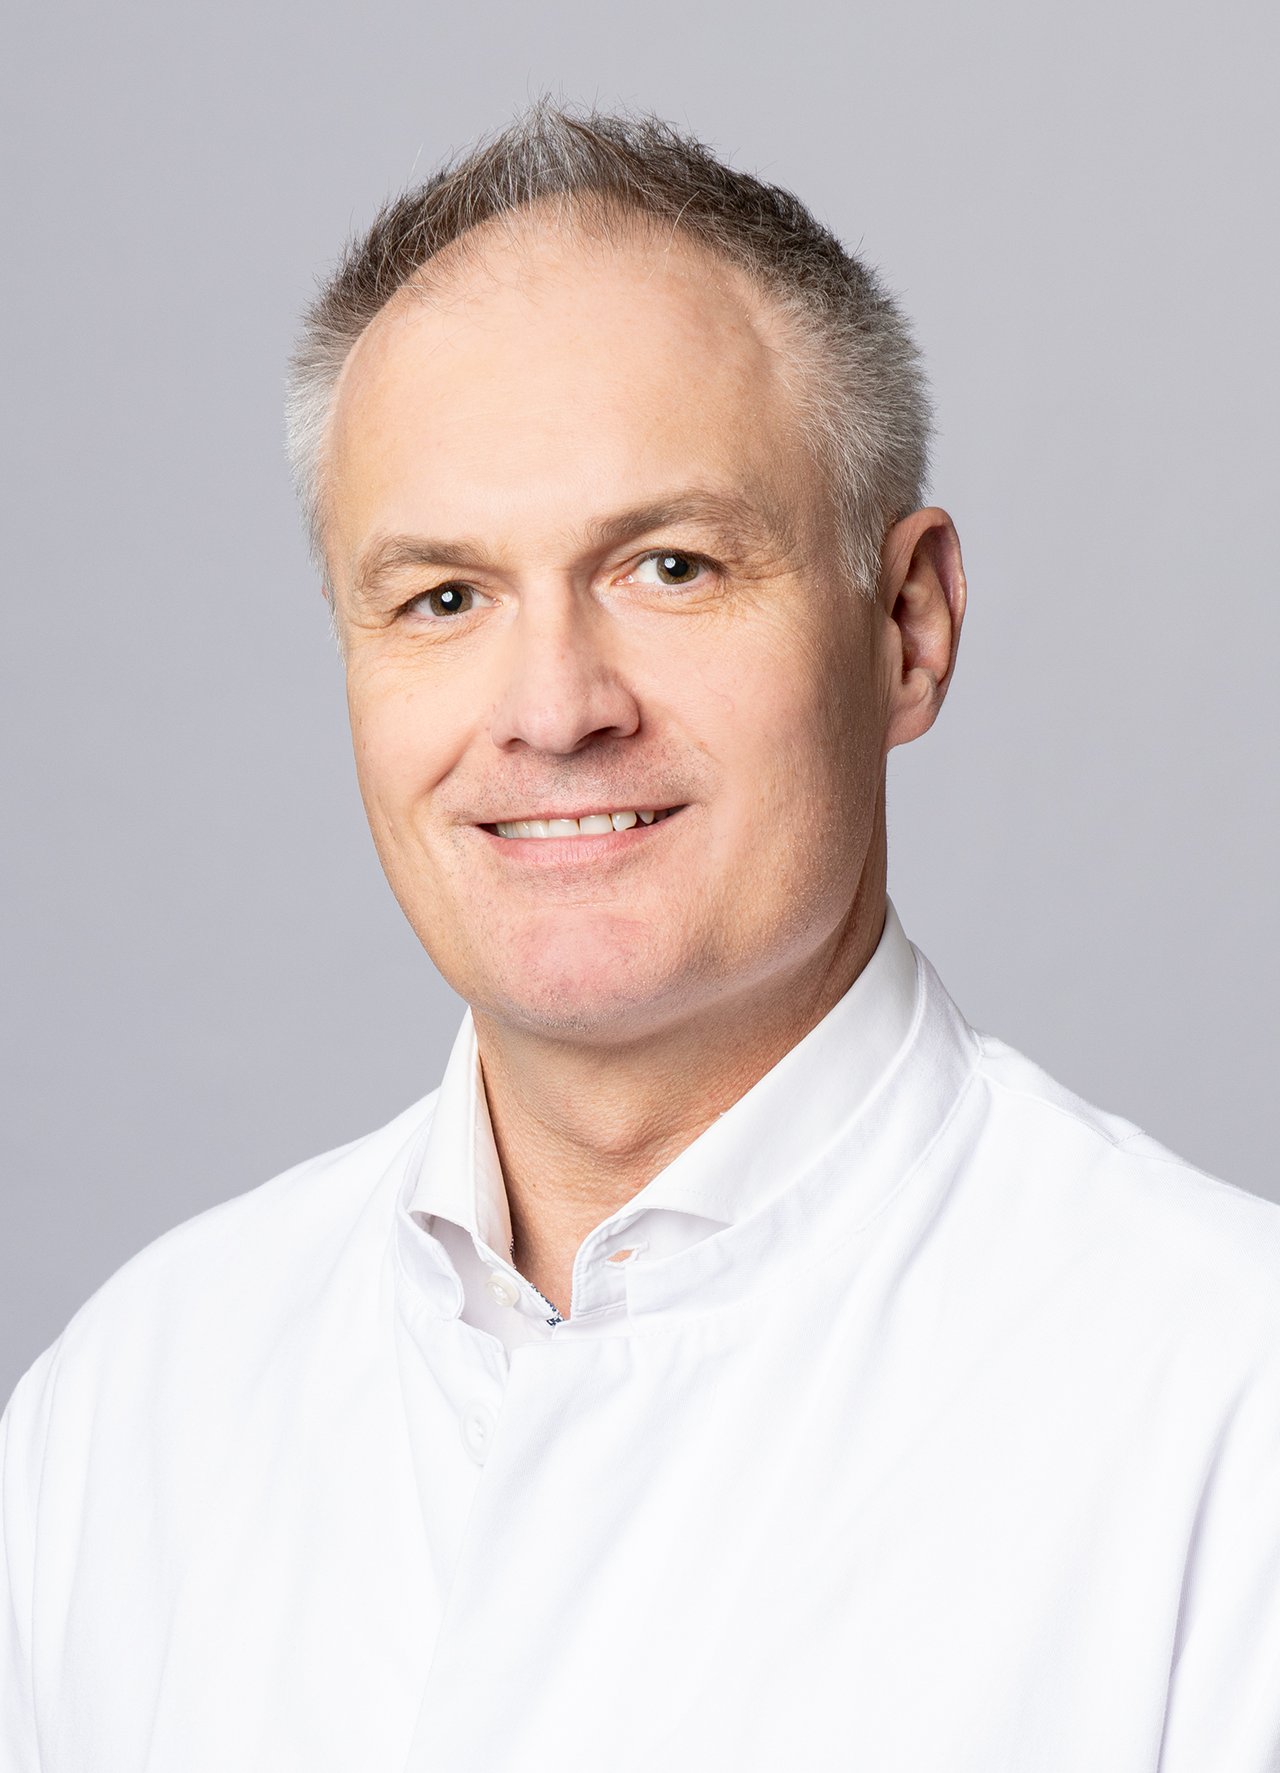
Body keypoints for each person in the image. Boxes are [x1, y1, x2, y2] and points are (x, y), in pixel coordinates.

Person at [3, 103, 1278, 1773]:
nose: (554, 709)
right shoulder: (127, 1411)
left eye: (669, 566)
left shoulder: (1226, 1402)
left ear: (907, 628)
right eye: (443, 596)